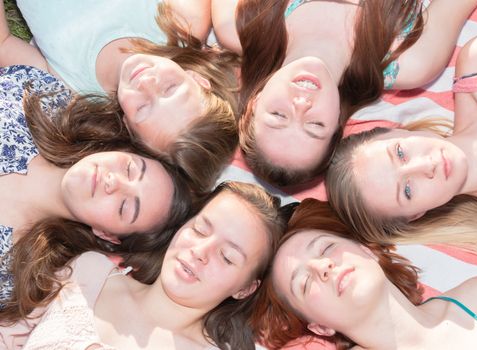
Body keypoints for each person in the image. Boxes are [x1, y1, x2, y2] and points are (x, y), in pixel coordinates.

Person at [212, 0, 477, 187]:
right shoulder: (409, 61)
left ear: (255, 103)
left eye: (278, 114)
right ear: (337, 119)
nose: (302, 104)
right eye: (315, 125)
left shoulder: (240, 25)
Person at [0, 182, 287, 350]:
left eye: (227, 257)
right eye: (200, 229)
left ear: (245, 289)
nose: (200, 252)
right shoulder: (88, 269)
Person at [0, 64, 191, 305]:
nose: (113, 182)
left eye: (124, 207)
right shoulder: (45, 99)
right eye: (130, 168)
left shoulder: (14, 273)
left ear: (107, 235)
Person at [0, 1, 239, 194]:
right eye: (170, 88)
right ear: (197, 79)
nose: (146, 84)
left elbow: (4, 44)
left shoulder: (70, 92)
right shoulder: (183, 22)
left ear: (129, 128)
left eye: (143, 108)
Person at [326, 25, 477, 254]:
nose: (425, 166)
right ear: (416, 214)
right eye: (408, 190)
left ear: (399, 131)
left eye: (400, 153)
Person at [251, 199, 477, 350]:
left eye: (326, 247)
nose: (322, 266)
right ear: (320, 328)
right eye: (304, 283)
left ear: (367, 250)